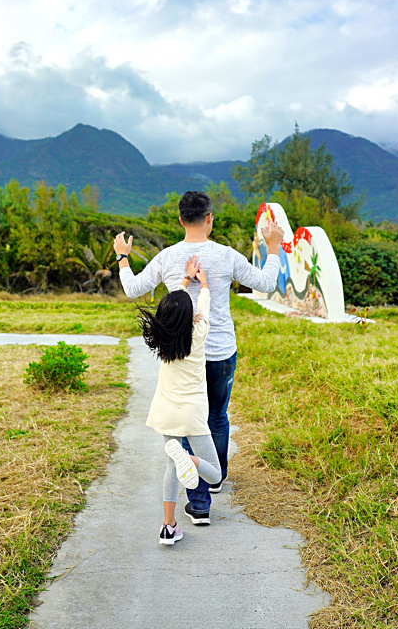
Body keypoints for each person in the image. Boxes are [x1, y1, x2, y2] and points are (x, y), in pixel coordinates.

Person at [115, 190, 285, 525]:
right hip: (220, 351)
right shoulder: (225, 256)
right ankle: (213, 478)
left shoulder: (167, 257)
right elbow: (266, 283)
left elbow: (133, 289)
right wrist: (274, 247)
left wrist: (123, 257)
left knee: (187, 423)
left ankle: (199, 501)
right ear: (209, 218)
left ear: (181, 220)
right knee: (217, 418)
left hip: (180, 356)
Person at [140, 256, 222, 545]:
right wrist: (205, 284)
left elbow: (172, 307)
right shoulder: (197, 334)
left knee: (171, 468)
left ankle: (167, 525)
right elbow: (203, 309)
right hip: (192, 414)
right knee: (213, 474)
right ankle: (189, 459)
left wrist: (184, 281)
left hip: (166, 412)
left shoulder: (162, 337)